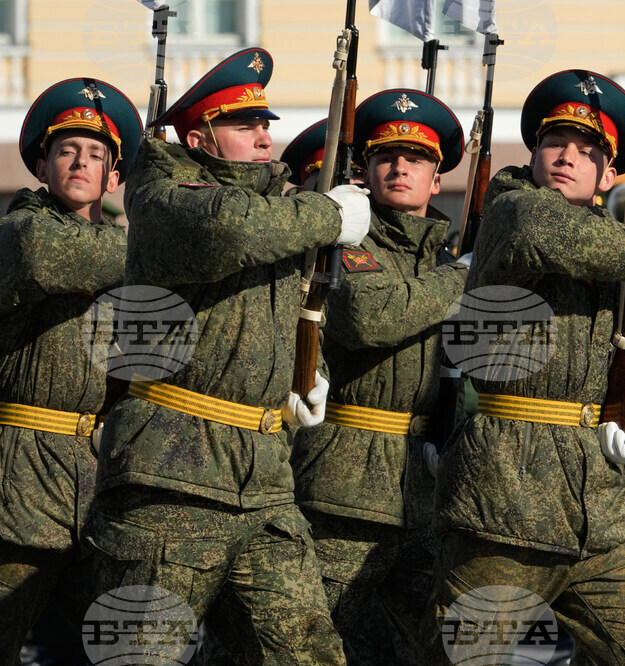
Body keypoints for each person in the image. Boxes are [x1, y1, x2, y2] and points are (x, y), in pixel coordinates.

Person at [86, 47, 369, 664]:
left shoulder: (283, 209)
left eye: (266, 124)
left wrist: (305, 371)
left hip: (264, 483)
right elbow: (230, 230)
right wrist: (325, 212)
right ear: (200, 137)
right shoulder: (163, 196)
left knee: (310, 653)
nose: (265, 137)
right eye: (245, 125)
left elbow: (285, 309)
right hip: (171, 481)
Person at [424, 69, 625, 664]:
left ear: (611, 175)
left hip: (597, 511)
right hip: (505, 502)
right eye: (555, 145)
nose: (567, 158)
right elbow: (540, 231)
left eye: (588, 151)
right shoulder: (512, 213)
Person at [284, 89, 469, 664]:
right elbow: (371, 317)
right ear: (363, 170)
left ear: (437, 180)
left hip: (423, 489)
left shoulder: (441, 256)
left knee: (433, 647)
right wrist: (464, 282)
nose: (399, 167)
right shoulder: (349, 243)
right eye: (386, 156)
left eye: (417, 160)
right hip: (343, 483)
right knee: (314, 639)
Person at [0, 76, 141, 663]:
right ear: (41, 165)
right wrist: (173, 241)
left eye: (95, 154)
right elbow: (54, 259)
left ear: (113, 175)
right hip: (20, 475)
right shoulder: (21, 230)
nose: (80, 163)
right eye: (65, 150)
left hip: (93, 480)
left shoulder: (124, 248)